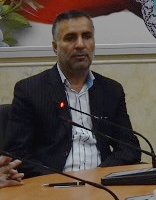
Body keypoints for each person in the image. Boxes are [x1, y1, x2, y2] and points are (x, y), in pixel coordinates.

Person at [5, 10, 141, 177]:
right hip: (51, 184)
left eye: (87, 36)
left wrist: (101, 175)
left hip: (102, 183)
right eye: (70, 38)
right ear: (55, 47)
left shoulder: (111, 90)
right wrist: (60, 179)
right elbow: (17, 155)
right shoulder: (30, 90)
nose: (80, 45)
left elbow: (129, 148)